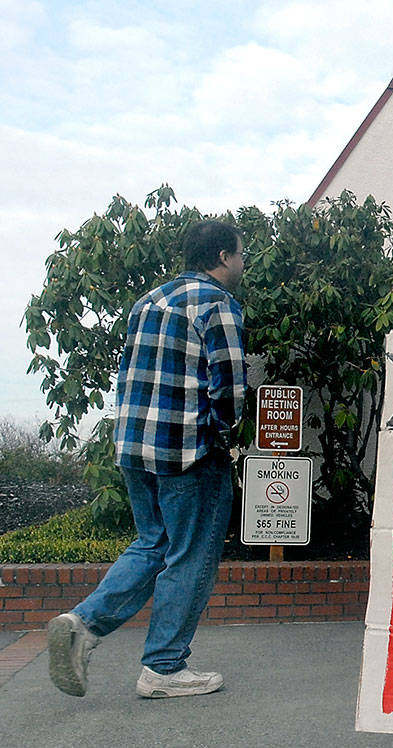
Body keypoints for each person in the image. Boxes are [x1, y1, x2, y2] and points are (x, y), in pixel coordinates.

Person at [47, 219, 248, 699]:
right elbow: (229, 388)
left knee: (152, 544)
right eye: (240, 254)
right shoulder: (217, 303)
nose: (243, 263)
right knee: (191, 556)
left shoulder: (148, 302)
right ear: (222, 256)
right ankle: (163, 667)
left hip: (135, 447)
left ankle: (82, 624)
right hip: (189, 452)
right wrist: (227, 436)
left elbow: (130, 374)